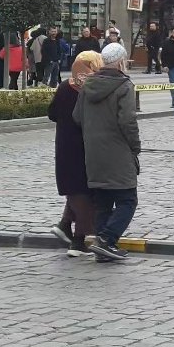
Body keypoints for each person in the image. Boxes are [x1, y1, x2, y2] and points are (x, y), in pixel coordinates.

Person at [73, 43, 140, 262]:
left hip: (93, 153)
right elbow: (128, 121)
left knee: (103, 201)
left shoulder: (88, 85)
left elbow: (77, 117)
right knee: (127, 199)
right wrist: (135, 146)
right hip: (118, 152)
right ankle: (107, 240)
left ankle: (103, 251)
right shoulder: (124, 86)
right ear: (121, 62)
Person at [48, 50, 105, 258]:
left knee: (75, 190)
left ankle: (64, 224)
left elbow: (52, 113)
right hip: (84, 147)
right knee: (83, 194)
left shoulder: (65, 86)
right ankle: (78, 242)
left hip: (64, 146)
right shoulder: (89, 90)